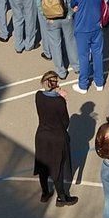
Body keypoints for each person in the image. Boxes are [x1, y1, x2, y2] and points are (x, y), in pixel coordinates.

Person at [33, 72, 78, 206]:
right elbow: (65, 122)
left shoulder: (38, 96)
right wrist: (60, 95)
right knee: (57, 167)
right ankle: (61, 197)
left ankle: (45, 193)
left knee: (43, 165)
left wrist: (56, 91)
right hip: (57, 138)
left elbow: (45, 91)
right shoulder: (59, 102)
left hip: (42, 136)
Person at [71, 0, 107, 92]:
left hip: (82, 28)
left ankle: (83, 85)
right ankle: (99, 82)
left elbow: (73, 4)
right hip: (96, 26)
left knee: (84, 57)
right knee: (98, 54)